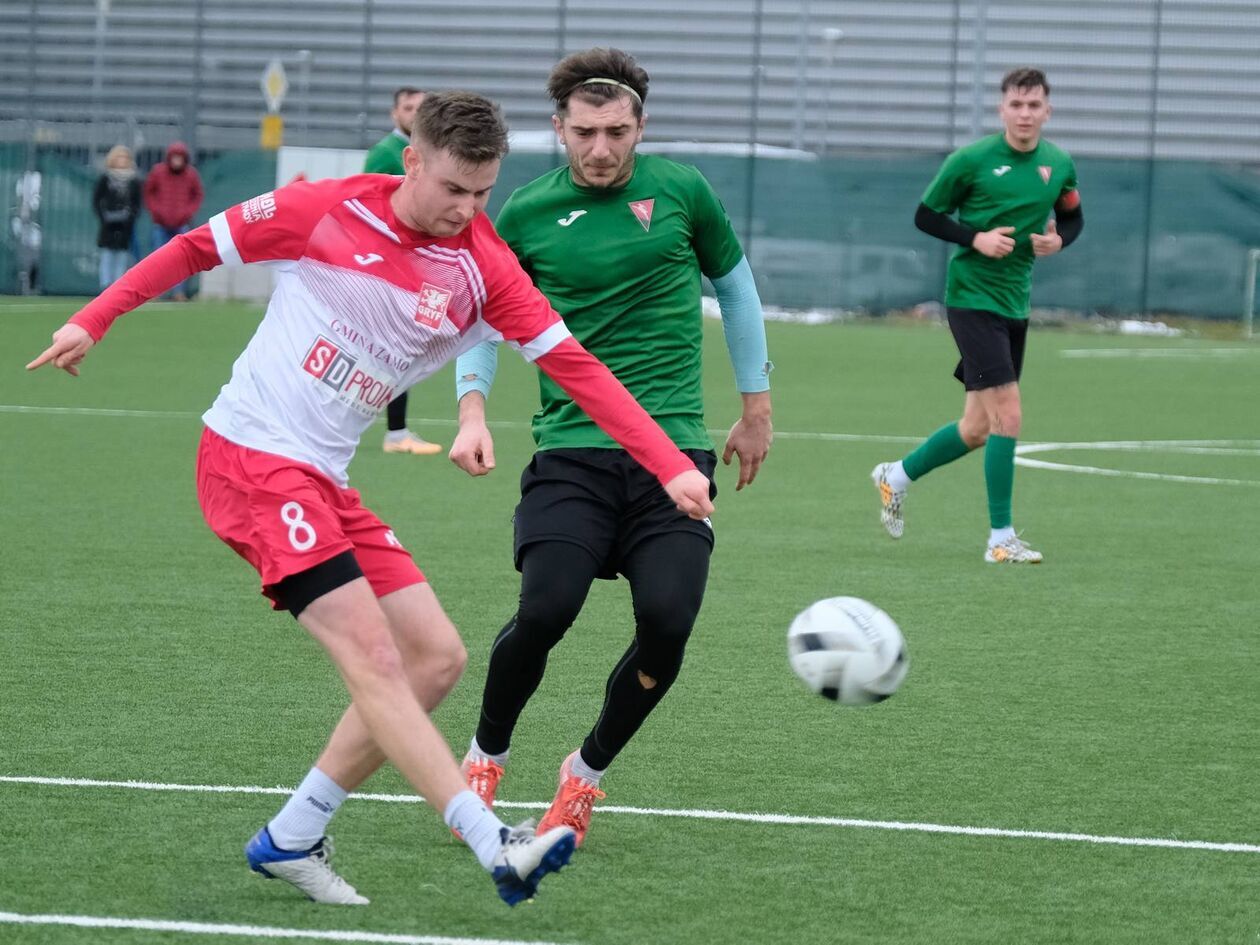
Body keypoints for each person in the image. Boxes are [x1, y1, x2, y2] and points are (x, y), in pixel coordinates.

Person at [27, 90, 715, 907]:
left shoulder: (484, 264)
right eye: (452, 189)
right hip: (250, 457)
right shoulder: (323, 211)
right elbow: (195, 249)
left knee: (437, 658)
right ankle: (493, 840)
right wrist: (95, 318)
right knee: (377, 661)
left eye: (483, 194)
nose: (467, 210)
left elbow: (578, 369)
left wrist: (668, 461)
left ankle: (292, 834)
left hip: (322, 477)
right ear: (411, 161)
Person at [450, 48, 773, 847]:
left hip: (674, 455)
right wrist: (472, 409)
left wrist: (756, 406)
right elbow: (484, 317)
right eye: (585, 132)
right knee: (546, 607)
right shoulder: (522, 212)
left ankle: (584, 775)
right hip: (571, 451)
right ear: (558, 127)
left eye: (617, 132)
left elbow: (736, 289)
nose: (601, 149)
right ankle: (485, 757)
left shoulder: (682, 191)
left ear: (641, 126)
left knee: (668, 619)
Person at [871, 67, 1084, 564]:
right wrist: (976, 238)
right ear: (1002, 109)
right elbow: (926, 215)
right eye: (1016, 104)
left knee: (977, 428)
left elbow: (1072, 216)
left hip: (1015, 303)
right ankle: (1000, 539)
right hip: (971, 300)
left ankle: (894, 475)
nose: (1025, 114)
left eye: (1034, 106)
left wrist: (1059, 240)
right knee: (1009, 414)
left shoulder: (1059, 164)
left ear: (1047, 111)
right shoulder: (971, 160)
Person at [365, 87, 443, 457]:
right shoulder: (384, 154)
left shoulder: (428, 153)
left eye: (422, 107)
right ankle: (395, 433)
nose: (415, 113)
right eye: (409, 107)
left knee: (398, 349)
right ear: (394, 112)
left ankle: (396, 431)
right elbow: (370, 209)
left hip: (415, 266)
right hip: (391, 268)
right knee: (391, 349)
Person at [142, 140, 203, 300]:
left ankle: (178, 292)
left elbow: (197, 196)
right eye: (174, 157)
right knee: (157, 259)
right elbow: (149, 193)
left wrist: (187, 212)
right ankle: (156, 291)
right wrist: (156, 211)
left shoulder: (191, 174)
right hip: (160, 223)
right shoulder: (158, 172)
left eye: (180, 157)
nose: (177, 160)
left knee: (180, 260)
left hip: (181, 223)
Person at [93, 145, 142, 291]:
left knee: (121, 257)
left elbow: (137, 203)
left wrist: (130, 217)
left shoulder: (134, 180)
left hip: (125, 226)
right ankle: (105, 287)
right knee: (107, 256)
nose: (122, 160)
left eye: (125, 157)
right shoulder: (105, 178)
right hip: (107, 226)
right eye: (119, 157)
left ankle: (116, 288)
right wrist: (104, 216)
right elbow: (96, 200)